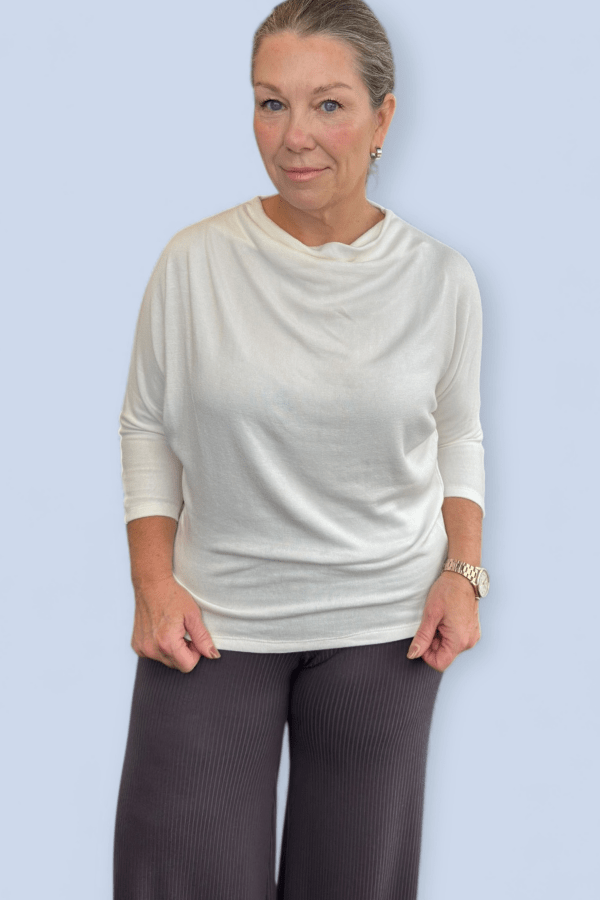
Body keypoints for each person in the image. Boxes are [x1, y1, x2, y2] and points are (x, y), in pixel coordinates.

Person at [113, 1, 489, 897]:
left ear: (384, 116)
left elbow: (459, 434)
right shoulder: (193, 263)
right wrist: (154, 586)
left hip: (385, 629)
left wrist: (463, 574)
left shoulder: (441, 278)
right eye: (269, 103)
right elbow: (147, 428)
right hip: (210, 625)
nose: (294, 137)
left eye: (328, 105)